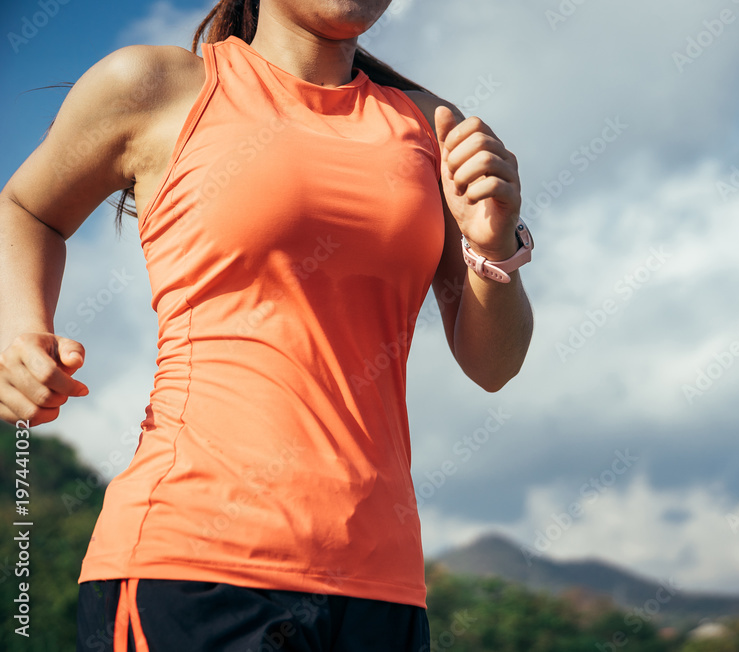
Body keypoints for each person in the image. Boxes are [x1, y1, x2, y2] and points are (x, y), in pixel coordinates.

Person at [0, 0, 534, 649]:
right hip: (189, 569)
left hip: (380, 589)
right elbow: (27, 208)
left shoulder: (431, 127)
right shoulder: (155, 87)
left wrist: (494, 245)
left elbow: (494, 364)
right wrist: (19, 330)